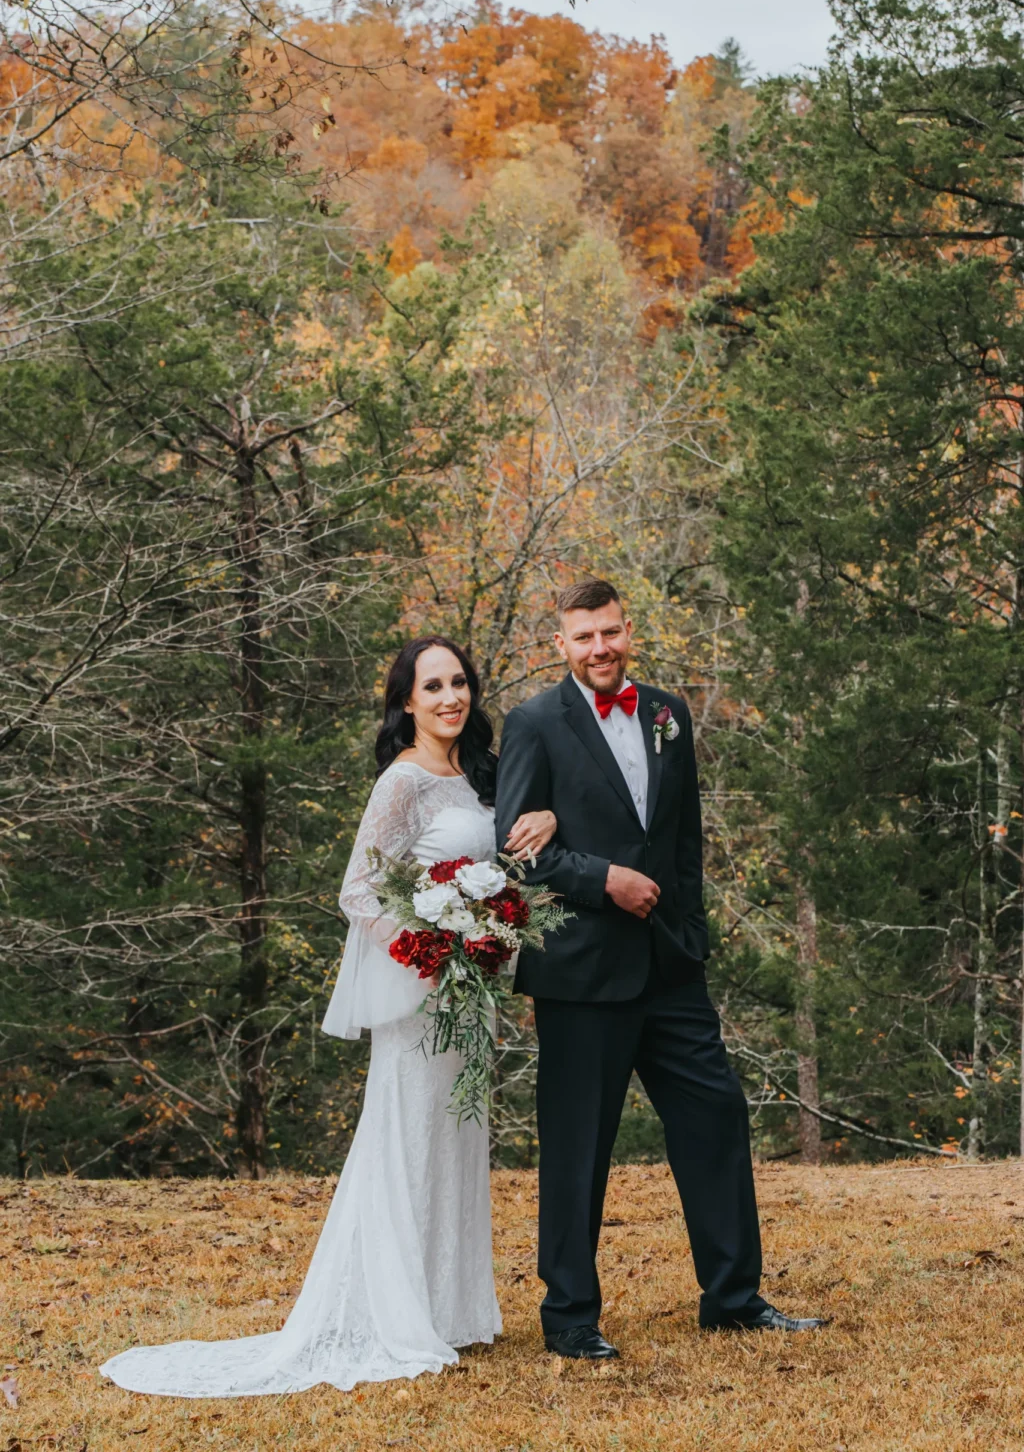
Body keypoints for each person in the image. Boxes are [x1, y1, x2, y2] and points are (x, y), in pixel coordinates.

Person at [100, 636, 557, 1397]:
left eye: (459, 683)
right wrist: (423, 948)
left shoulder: (480, 775)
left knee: (457, 1138)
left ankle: (449, 1309)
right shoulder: (402, 783)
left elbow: (501, 856)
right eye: (432, 686)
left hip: (467, 995)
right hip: (422, 995)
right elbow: (358, 890)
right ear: (406, 702)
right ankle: (394, 1313)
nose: (450, 697)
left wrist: (496, 904)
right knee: (408, 1138)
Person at [495, 578, 827, 1360]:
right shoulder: (534, 723)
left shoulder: (667, 713)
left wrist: (692, 935)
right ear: (561, 645)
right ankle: (570, 1319)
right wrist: (599, 877)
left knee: (716, 1119)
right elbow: (513, 852)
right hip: (580, 975)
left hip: (672, 968)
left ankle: (734, 1299)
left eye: (609, 633)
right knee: (579, 1148)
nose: (600, 649)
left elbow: (685, 840)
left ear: (627, 630)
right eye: (583, 638)